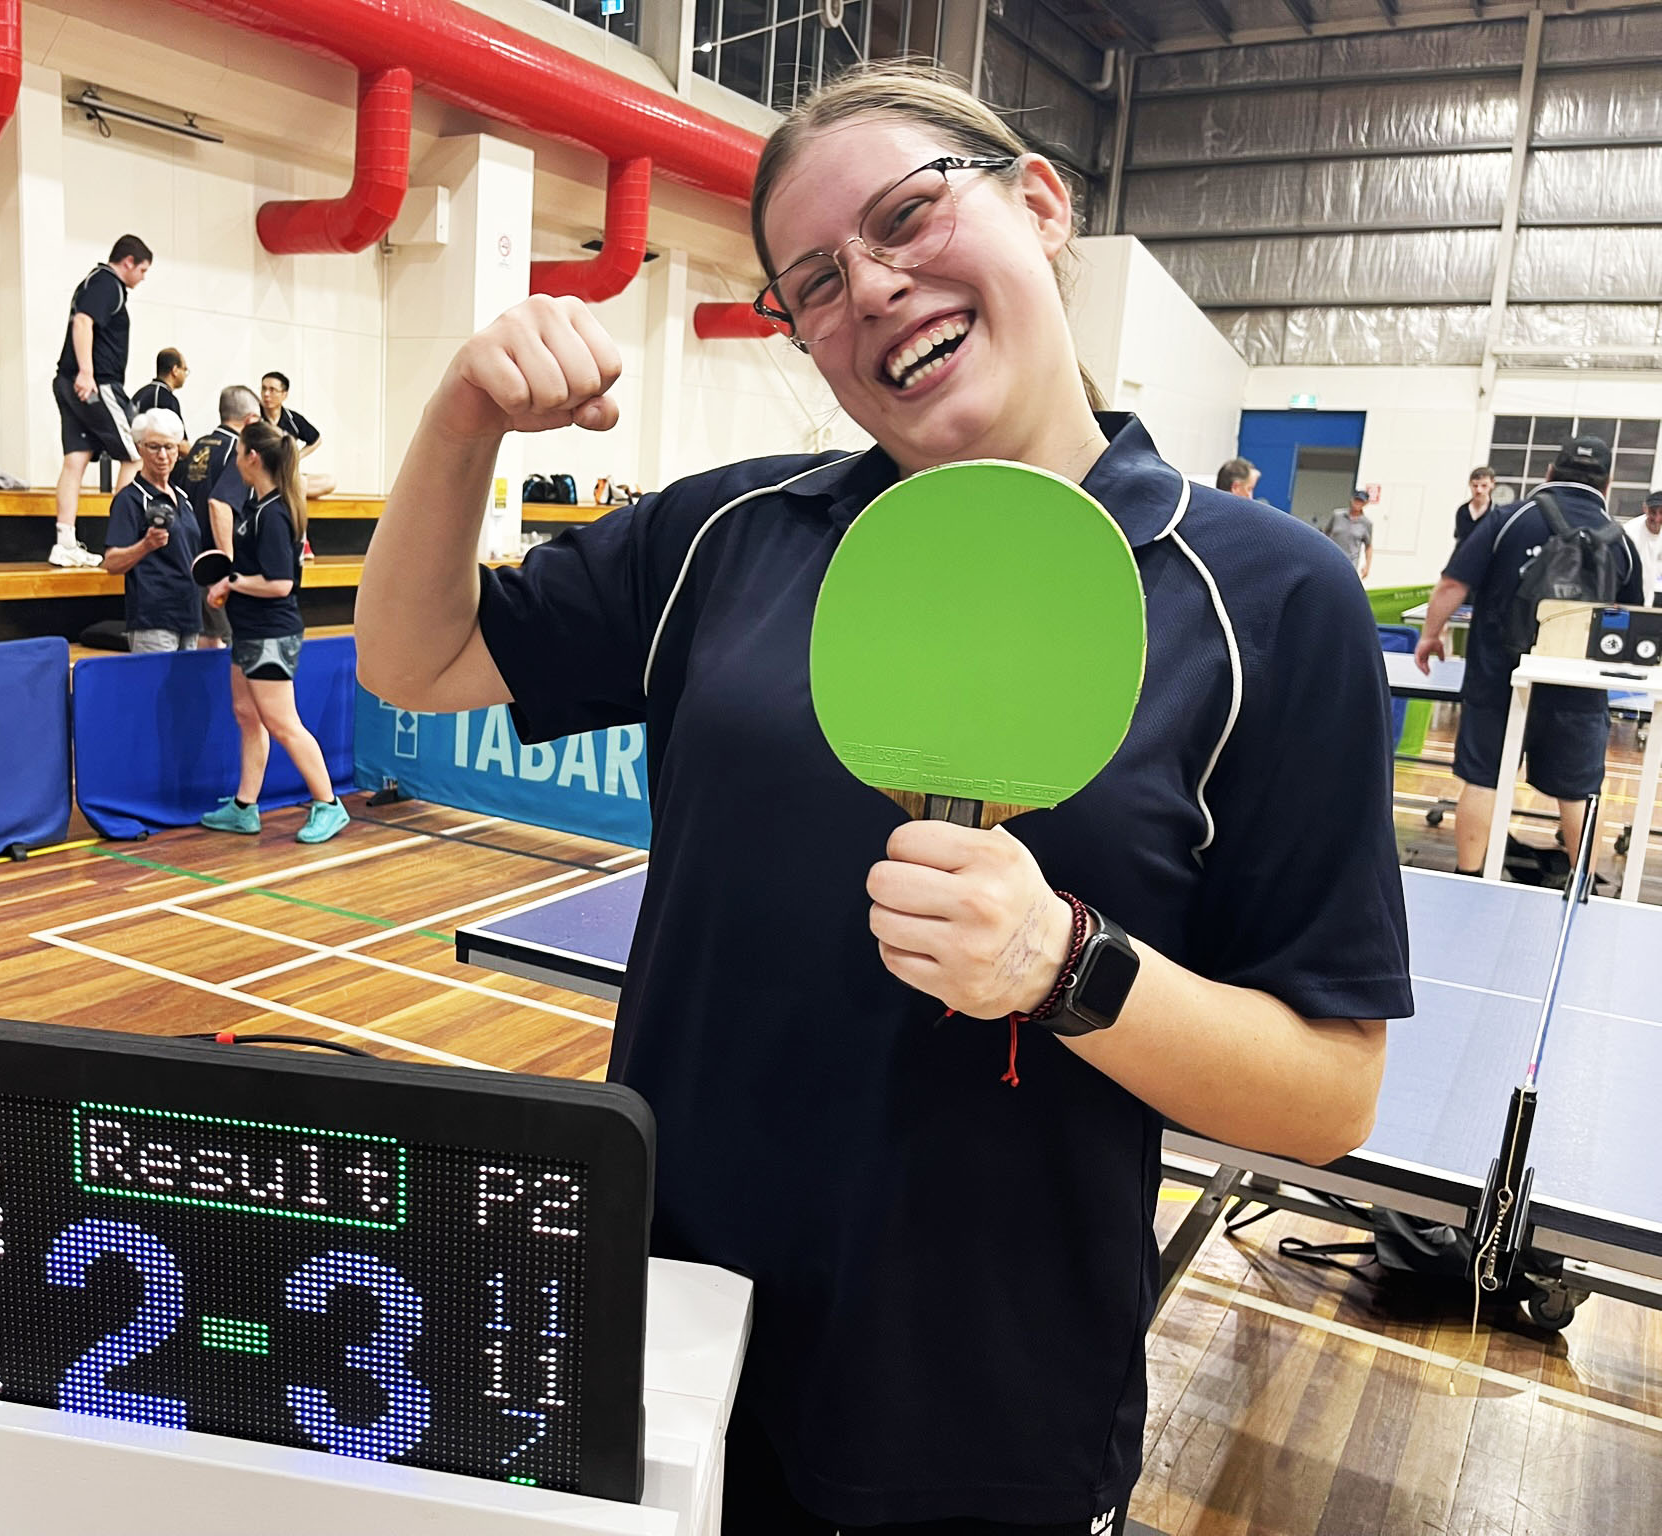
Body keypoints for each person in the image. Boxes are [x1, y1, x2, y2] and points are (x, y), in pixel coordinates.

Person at [358, 64, 1406, 1534]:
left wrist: (1063, 965)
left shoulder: (1268, 600)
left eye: (908, 216)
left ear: (1040, 204)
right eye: (813, 282)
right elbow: (413, 656)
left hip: (987, 1415)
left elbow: (1329, 1093)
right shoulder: (725, 537)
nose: (869, 288)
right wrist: (464, 413)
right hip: (668, 1352)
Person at [1415, 436, 1644, 878]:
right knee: (1579, 794)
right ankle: (1583, 887)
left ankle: (1469, 876)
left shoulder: (1507, 519)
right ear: (1608, 482)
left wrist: (1430, 635)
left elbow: (1452, 585)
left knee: (1484, 780)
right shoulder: (1619, 540)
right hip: (1577, 689)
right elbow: (1630, 619)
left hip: (1500, 678)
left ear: (1549, 473)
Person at [198, 421, 348, 844]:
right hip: (248, 630)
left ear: (253, 458)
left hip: (271, 635)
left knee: (283, 724)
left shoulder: (276, 513)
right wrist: (232, 584)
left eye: (238, 453)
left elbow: (280, 583)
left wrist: (232, 583)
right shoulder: (257, 506)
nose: (235, 461)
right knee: (247, 714)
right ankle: (244, 808)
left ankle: (329, 804)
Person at [50, 235, 154, 569]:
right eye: (143, 270)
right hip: (97, 385)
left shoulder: (96, 282)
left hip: (69, 382)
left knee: (76, 460)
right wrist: (87, 372)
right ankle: (120, 539)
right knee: (136, 453)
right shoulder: (107, 283)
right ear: (128, 262)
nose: (143, 277)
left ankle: (65, 542)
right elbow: (83, 322)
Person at [102, 410, 199, 653]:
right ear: (140, 449)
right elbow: (112, 563)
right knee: (155, 679)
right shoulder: (130, 499)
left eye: (169, 447)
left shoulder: (184, 498)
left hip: (190, 615)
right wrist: (145, 545)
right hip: (154, 618)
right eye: (154, 447)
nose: (162, 455)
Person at [175, 385, 265, 648]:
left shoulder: (199, 447)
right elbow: (220, 503)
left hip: (192, 561)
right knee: (233, 644)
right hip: (215, 567)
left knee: (208, 640)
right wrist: (229, 565)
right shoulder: (239, 453)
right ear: (251, 420)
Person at [259, 370, 337, 501]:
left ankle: (282, 491)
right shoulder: (254, 417)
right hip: (260, 477)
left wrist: (296, 457)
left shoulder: (292, 419)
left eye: (272, 390)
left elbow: (316, 440)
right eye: (264, 389)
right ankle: (281, 492)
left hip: (286, 477)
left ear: (284, 394)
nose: (266, 394)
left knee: (329, 482)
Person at [131, 348, 189, 437]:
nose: (185, 374)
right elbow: (176, 439)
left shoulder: (140, 393)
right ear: (175, 370)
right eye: (185, 369)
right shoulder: (164, 398)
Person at [1322, 487, 1375, 578]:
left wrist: (1367, 566)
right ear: (1352, 500)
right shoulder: (1337, 515)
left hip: (1350, 563)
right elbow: (1325, 535)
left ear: (1365, 504)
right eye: (1356, 500)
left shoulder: (1366, 523)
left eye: (1361, 501)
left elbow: (1368, 546)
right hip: (1331, 558)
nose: (1357, 503)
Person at [1626, 489, 1662, 606]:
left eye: (1661, 513)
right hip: (1632, 596)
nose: (1657, 519)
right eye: (1653, 512)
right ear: (1645, 509)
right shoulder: (1629, 532)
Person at [1453, 464, 1495, 552]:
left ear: (1492, 484)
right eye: (1475, 485)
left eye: (1484, 485)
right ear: (1470, 484)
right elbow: (1459, 539)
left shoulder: (1496, 512)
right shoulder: (1462, 510)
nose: (1479, 490)